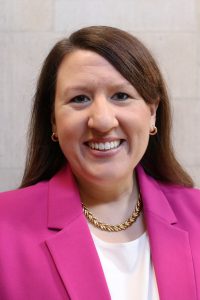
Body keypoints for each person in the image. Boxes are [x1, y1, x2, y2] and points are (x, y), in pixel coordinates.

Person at [0, 25, 199, 300]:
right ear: (54, 122)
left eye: (121, 96)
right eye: (79, 99)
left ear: (152, 112)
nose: (103, 120)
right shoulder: (4, 227)